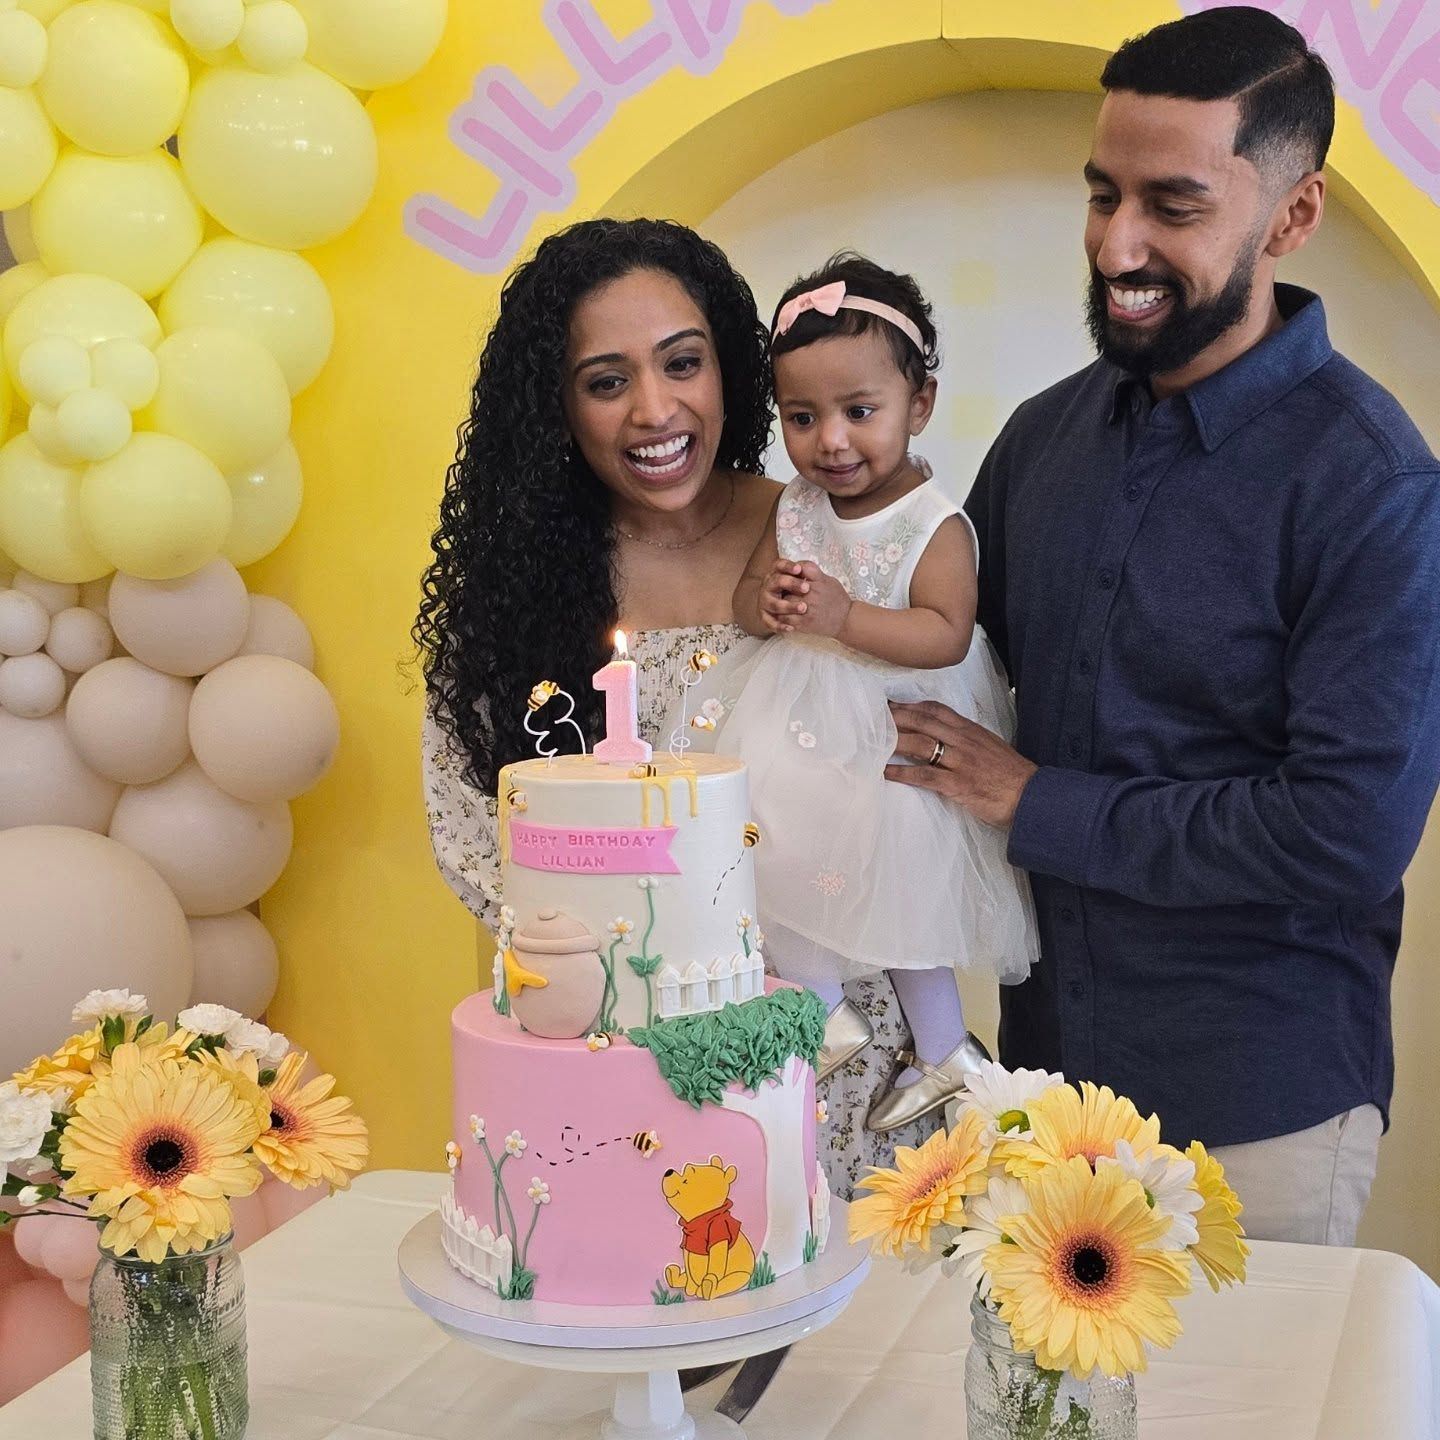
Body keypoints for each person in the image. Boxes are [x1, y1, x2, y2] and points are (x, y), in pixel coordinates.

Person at [888, 7, 1440, 1246]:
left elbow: (1346, 832)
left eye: (1173, 206)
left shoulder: (1375, 484)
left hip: (1261, 1112)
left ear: (1292, 217)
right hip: (1041, 1093)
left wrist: (1042, 804)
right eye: (1102, 195)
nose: (1117, 243)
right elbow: (951, 684)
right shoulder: (1043, 437)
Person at [415, 217, 942, 1203]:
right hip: (624, 1063)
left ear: (731, 370)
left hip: (850, 1059)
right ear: (556, 406)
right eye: (606, 381)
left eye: (683, 363)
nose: (655, 409)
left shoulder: (824, 534)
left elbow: (930, 712)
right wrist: (633, 964)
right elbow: (473, 828)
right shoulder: (518, 595)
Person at [692, 252, 1037, 1135]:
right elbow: (751, 594)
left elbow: (946, 631)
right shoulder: (796, 505)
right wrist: (769, 604)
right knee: (763, 849)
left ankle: (946, 1048)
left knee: (902, 892)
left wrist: (844, 616)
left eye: (859, 411)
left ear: (919, 404)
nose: (831, 442)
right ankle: (822, 1009)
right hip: (798, 711)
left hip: (897, 725)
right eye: (802, 418)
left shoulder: (934, 521)